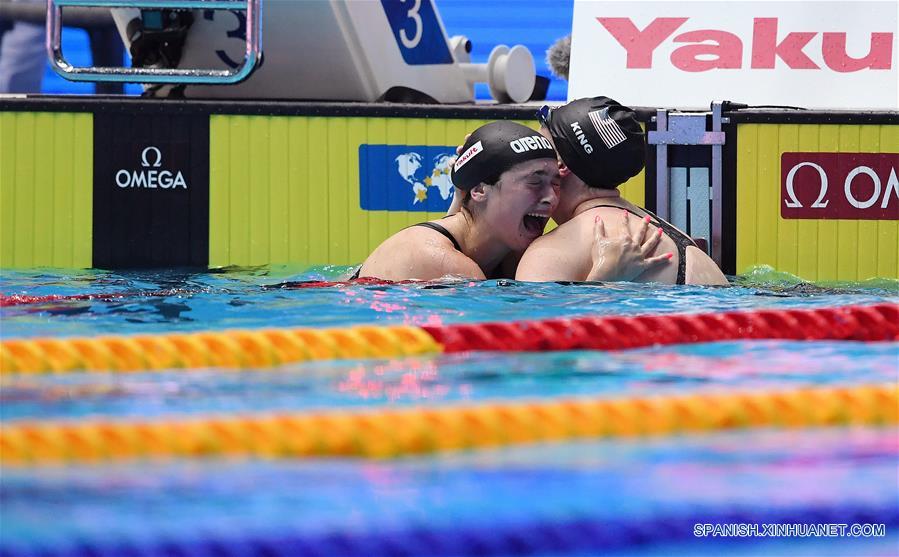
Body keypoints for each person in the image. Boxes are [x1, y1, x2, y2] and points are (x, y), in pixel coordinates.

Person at [355, 120, 668, 282]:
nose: (550, 198)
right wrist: (604, 279)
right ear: (479, 190)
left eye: (555, 183)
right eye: (535, 182)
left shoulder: (507, 254)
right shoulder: (439, 260)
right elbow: (529, 347)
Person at [515, 97, 729, 285]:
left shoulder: (551, 253)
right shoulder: (671, 234)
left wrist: (600, 283)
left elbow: (533, 330)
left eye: (540, 146)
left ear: (560, 165)